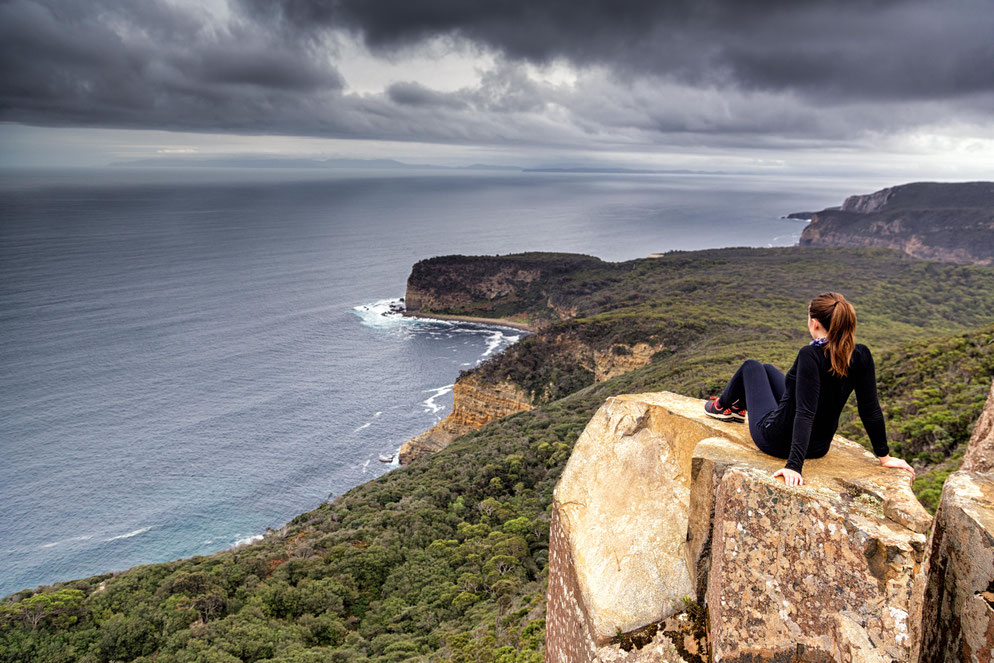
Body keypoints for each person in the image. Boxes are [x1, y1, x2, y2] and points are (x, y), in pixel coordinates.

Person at [703, 291, 915, 487]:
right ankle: (736, 407)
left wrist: (793, 466)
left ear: (814, 324)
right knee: (767, 369)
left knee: (752, 366)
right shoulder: (861, 354)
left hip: (776, 441)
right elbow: (870, 409)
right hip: (819, 447)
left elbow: (805, 413)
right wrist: (884, 456)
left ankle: (721, 407)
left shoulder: (810, 355)